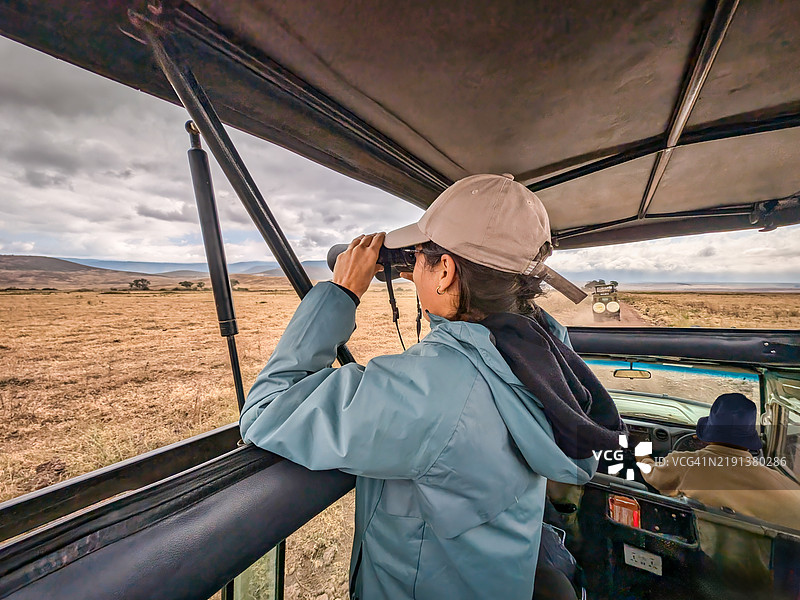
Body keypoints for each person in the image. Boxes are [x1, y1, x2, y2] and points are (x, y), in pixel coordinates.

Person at [240, 173, 626, 600]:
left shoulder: (430, 392)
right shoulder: (545, 353)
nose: (412, 267)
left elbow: (266, 407)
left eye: (421, 256)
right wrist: (437, 285)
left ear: (445, 270)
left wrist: (341, 291)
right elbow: (475, 338)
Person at [640, 392, 800, 529]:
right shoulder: (787, 488)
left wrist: (641, 454)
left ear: (709, 435)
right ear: (749, 439)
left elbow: (652, 476)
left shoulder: (684, 463)